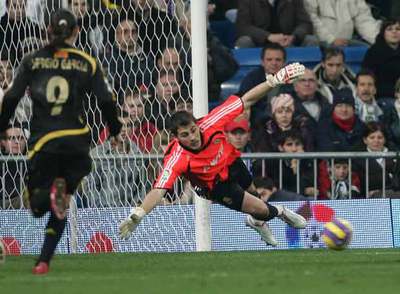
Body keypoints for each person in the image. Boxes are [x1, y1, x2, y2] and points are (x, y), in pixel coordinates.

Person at [119, 62, 308, 247]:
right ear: (175, 137)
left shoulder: (211, 121)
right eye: (185, 135)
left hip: (230, 161)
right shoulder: (176, 157)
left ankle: (256, 222)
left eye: (193, 130)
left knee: (253, 192)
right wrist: (139, 214)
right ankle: (281, 212)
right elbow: (159, 189)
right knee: (261, 210)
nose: (192, 137)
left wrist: (274, 81)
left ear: (196, 124)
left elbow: (247, 100)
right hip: (215, 185)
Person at [0, 9, 121, 274]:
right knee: (63, 200)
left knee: (36, 206)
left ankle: (48, 196)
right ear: (77, 32)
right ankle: (43, 261)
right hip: (78, 142)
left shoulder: (33, 61)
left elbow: (11, 98)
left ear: (47, 31)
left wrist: (2, 127)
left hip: (45, 140)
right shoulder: (87, 61)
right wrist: (114, 128)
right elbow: (105, 100)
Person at [235, 0, 314, 48]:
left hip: (288, 41)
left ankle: (308, 74)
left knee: (311, 40)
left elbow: (305, 23)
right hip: (260, 42)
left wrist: (294, 36)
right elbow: (242, 26)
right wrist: (268, 36)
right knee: (244, 42)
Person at [304, 0, 381, 46]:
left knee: (370, 50)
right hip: (319, 43)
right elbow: (312, 18)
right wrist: (330, 39)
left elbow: (364, 21)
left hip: (346, 43)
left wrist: (379, 40)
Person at [362, 18, 400, 98]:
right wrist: (394, 93)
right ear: (383, 33)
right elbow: (368, 80)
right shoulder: (374, 52)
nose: (394, 32)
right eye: (389, 29)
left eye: (398, 29)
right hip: (383, 96)